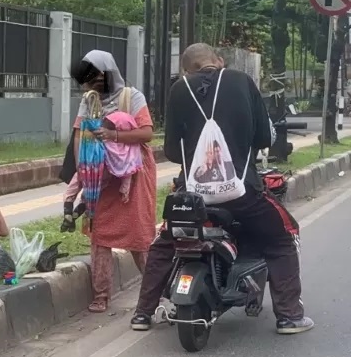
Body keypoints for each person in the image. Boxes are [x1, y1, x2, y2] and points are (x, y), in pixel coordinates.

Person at [129, 43, 314, 335]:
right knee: (283, 236)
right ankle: (289, 316)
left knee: (164, 245)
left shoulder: (179, 90)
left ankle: (142, 314)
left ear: (186, 69)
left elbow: (173, 152)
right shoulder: (242, 81)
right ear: (218, 61)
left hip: (190, 197)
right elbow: (264, 137)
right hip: (244, 195)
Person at [69, 50, 156, 313]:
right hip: (100, 177)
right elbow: (78, 135)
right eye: (88, 78)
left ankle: (157, 291)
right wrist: (83, 171)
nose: (93, 82)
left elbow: (147, 134)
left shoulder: (132, 96)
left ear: (109, 73)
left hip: (132, 175)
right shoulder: (88, 101)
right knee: (100, 236)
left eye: (97, 76)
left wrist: (112, 135)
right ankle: (101, 294)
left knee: (139, 238)